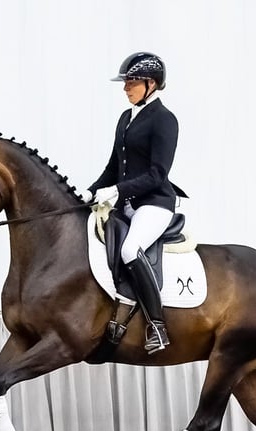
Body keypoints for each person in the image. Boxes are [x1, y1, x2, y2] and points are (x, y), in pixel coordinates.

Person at [87, 51, 187, 354]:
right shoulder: (126, 118)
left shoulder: (165, 120)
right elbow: (112, 166)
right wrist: (90, 192)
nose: (125, 87)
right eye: (126, 82)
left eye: (131, 82)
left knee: (131, 248)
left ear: (151, 84)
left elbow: (159, 174)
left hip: (155, 203)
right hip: (126, 201)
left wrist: (116, 190)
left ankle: (157, 325)